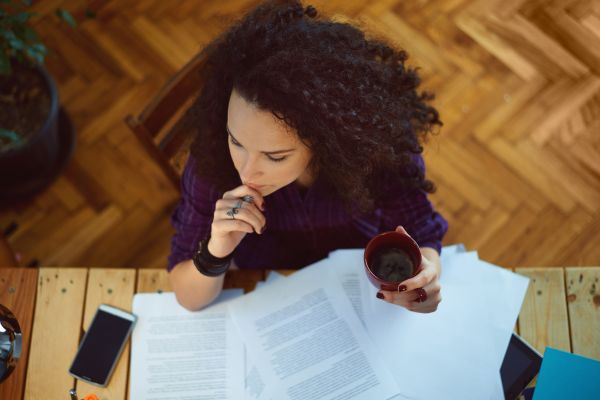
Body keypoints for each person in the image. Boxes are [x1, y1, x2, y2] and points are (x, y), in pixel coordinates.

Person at [167, 0, 448, 313]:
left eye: (275, 157)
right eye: (236, 141)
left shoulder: (380, 152)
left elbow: (422, 232)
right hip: (267, 290)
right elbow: (187, 295)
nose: (246, 172)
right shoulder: (212, 163)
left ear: (324, 140)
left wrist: (425, 279)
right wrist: (217, 250)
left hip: (356, 282)